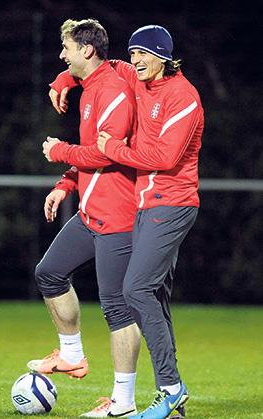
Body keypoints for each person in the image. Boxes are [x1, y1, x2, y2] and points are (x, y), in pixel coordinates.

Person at [26, 19, 141, 417]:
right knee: (49, 273)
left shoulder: (113, 91)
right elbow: (92, 150)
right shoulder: (91, 86)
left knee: (117, 308)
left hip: (118, 217)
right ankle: (72, 355)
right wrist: (66, 184)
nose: (62, 55)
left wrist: (60, 151)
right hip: (91, 213)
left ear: (87, 50)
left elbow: (107, 153)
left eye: (67, 49)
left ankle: (124, 402)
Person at [93, 25, 203, 419]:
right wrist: (62, 80)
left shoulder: (184, 97)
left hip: (172, 205)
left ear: (162, 57)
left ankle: (171, 388)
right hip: (146, 205)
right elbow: (101, 65)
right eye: (133, 53)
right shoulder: (139, 78)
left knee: (136, 289)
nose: (135, 59)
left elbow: (165, 159)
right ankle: (173, 401)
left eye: (142, 53)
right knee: (154, 295)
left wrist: (114, 148)